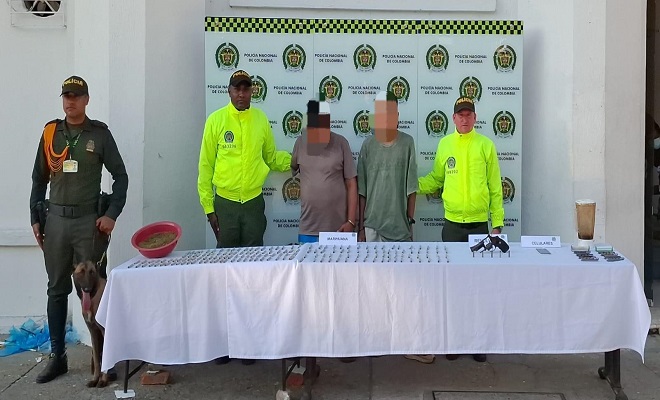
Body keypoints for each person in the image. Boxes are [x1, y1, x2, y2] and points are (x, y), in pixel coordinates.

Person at [29, 76, 128, 383]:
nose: (70, 101)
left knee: (97, 289)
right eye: (66, 96)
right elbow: (38, 179)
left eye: (76, 96)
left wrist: (111, 214)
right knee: (57, 289)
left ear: (86, 99)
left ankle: (106, 359)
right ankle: (57, 357)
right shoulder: (51, 133)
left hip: (89, 223)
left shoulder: (99, 134)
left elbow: (121, 176)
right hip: (57, 222)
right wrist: (35, 217)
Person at [198, 69, 290, 365]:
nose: (241, 93)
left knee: (252, 273)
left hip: (252, 203)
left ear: (253, 91)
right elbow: (205, 167)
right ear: (229, 91)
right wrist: (209, 208)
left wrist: (298, 159)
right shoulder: (216, 121)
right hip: (225, 204)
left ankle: (249, 342)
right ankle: (223, 343)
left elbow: (272, 158)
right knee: (224, 272)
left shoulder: (261, 120)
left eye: (246, 88)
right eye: (236, 89)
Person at [418, 96, 504, 363]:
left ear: (475, 118)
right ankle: (453, 341)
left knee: (478, 287)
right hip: (452, 227)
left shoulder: (486, 145)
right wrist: (409, 185)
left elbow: (495, 187)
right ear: (453, 118)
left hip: (479, 227)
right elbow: (436, 179)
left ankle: (478, 342)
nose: (464, 119)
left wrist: (497, 223)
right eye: (460, 115)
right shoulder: (445, 144)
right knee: (452, 286)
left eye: (469, 114)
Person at [356, 91, 431, 364]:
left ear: (397, 116)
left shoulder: (407, 143)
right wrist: (361, 227)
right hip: (372, 227)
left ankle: (407, 343)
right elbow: (362, 191)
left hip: (400, 229)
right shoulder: (367, 146)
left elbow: (412, 189)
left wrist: (410, 222)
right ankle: (374, 341)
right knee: (372, 289)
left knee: (405, 292)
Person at [291, 99, 357, 243]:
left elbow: (352, 184)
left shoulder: (341, 143)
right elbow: (294, 167)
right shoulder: (300, 143)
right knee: (306, 259)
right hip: (308, 228)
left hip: (339, 229)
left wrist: (351, 222)